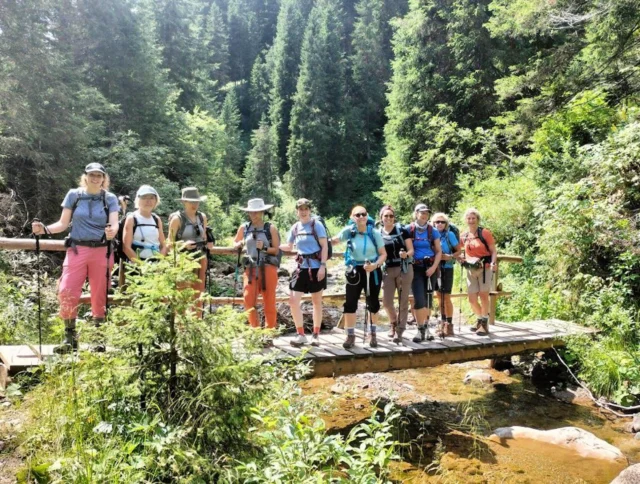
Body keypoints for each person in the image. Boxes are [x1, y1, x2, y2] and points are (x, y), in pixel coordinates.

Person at [32, 163, 119, 353]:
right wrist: (45, 229)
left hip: (102, 250)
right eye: (92, 175)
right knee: (66, 290)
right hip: (77, 249)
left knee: (99, 293)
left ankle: (98, 339)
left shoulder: (110, 198)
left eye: (99, 175)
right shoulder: (74, 195)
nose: (96, 178)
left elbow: (115, 223)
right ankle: (70, 338)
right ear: (85, 177)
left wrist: (112, 231)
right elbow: (63, 224)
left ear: (104, 178)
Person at [331, 205, 386, 349]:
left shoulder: (374, 233)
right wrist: (320, 240)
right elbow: (335, 241)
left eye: (363, 214)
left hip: (372, 270)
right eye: (358, 215)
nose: (361, 217)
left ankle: (372, 334)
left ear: (367, 216)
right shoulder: (349, 232)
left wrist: (375, 265)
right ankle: (350, 335)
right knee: (350, 302)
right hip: (354, 270)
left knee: (373, 302)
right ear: (352, 217)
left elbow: (383, 254)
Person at [280, 198, 328, 347]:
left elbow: (324, 246)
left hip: (316, 267)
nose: (303, 211)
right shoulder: (295, 227)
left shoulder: (317, 225)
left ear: (310, 210)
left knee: (316, 302)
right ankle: (301, 334)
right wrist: (272, 245)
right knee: (293, 301)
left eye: (306, 208)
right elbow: (288, 246)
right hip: (301, 268)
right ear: (297, 211)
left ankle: (315, 335)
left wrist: (323, 266)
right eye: (301, 209)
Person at [233, 198, 280, 329]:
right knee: (248, 300)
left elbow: (276, 250)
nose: (253, 215)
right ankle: (255, 330)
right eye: (251, 212)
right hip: (250, 268)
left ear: (262, 212)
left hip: (268, 268)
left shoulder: (270, 229)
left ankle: (269, 333)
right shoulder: (244, 228)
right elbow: (235, 241)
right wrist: (238, 244)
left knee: (269, 302)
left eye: (257, 212)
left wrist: (264, 248)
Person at [168, 187, 213, 312]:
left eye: (197, 201)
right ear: (184, 202)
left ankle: (196, 324)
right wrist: (183, 245)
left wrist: (208, 242)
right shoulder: (177, 219)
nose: (195, 204)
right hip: (183, 260)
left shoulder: (202, 217)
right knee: (182, 293)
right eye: (191, 201)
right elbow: (169, 244)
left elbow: (203, 236)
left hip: (200, 258)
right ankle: (181, 325)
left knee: (198, 293)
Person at [458, 208, 498, 336]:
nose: (471, 221)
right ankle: (480, 319)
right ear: (466, 220)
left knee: (483, 295)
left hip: (485, 268)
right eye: (469, 218)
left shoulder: (484, 233)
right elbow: (458, 250)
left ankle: (484, 324)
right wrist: (460, 258)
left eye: (473, 218)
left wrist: (493, 263)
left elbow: (493, 250)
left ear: (477, 219)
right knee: (472, 298)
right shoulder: (463, 235)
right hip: (471, 269)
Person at [379, 205, 414, 343]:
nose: (388, 218)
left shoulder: (402, 231)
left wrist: (406, 254)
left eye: (391, 216)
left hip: (403, 268)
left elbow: (411, 250)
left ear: (394, 218)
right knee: (386, 302)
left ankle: (399, 331)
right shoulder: (378, 233)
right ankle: (393, 322)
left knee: (403, 301)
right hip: (387, 269)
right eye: (386, 216)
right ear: (381, 218)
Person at [409, 203, 442, 342]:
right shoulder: (409, 230)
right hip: (416, 268)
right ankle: (420, 329)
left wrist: (434, 267)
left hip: (430, 268)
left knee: (428, 299)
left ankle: (426, 328)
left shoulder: (432, 231)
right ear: (416, 213)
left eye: (426, 213)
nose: (424, 215)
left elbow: (439, 251)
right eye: (422, 213)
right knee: (419, 299)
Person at [431, 212, 461, 338]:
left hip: (447, 268)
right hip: (436, 269)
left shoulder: (450, 235)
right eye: (437, 222)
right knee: (439, 296)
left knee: (446, 297)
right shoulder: (431, 234)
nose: (439, 224)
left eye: (442, 222)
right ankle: (442, 323)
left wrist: (450, 257)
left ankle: (449, 325)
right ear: (433, 223)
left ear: (446, 224)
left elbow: (459, 251)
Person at [122, 185, 167, 262]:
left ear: (156, 200)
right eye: (144, 197)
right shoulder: (132, 218)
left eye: (152, 198)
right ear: (138, 200)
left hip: (156, 265)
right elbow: (126, 247)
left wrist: (160, 263)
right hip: (135, 266)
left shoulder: (156, 219)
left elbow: (164, 246)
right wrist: (142, 266)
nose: (148, 201)